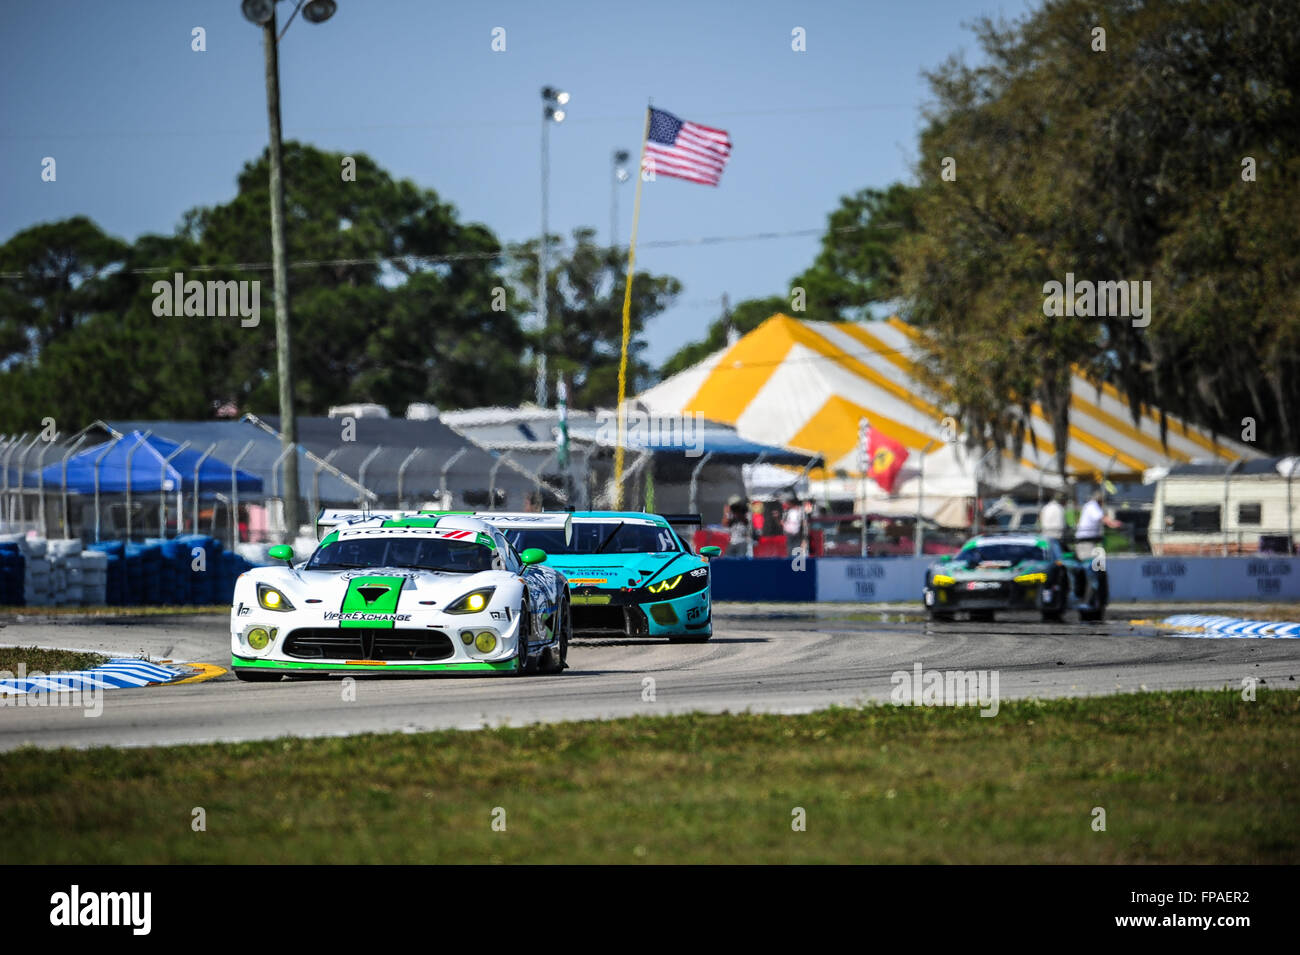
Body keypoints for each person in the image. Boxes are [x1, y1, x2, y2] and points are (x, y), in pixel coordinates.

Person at [1073, 489, 1121, 559]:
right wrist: (1114, 523)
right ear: (1100, 500)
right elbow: (1102, 518)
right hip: (1085, 541)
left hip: (1087, 540)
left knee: (1092, 562)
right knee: (1089, 562)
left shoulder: (1090, 505)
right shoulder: (1093, 506)